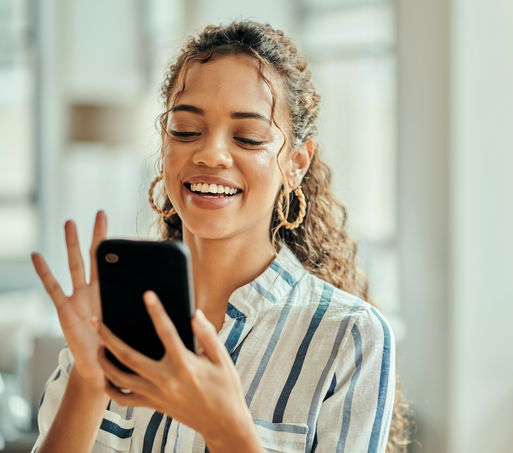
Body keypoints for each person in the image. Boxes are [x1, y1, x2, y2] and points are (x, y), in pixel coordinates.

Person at [29, 20, 412, 453]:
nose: (210, 154)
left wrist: (229, 433)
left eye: (248, 137)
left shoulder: (349, 337)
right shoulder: (115, 310)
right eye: (186, 130)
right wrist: (89, 377)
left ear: (297, 163)